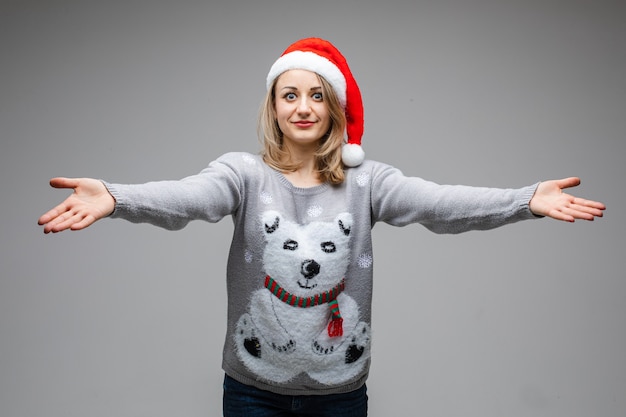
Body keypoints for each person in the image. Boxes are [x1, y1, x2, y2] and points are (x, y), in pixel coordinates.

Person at [38, 38, 605, 417]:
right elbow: (188, 198)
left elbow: (439, 204)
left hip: (341, 396)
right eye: (290, 95)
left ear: (334, 108)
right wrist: (117, 196)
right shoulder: (243, 174)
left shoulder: (367, 183)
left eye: (316, 95)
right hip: (251, 395)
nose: (302, 107)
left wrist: (524, 199)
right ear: (275, 107)